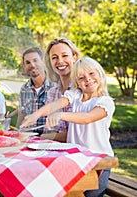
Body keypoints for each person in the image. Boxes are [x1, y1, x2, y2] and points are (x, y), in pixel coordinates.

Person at [21, 57, 115, 196]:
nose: (88, 79)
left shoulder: (105, 102)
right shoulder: (75, 95)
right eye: (81, 77)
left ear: (100, 74)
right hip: (77, 160)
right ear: (77, 82)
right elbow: (54, 105)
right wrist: (35, 115)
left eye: (91, 74)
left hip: (99, 162)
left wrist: (61, 115)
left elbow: (87, 118)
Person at [44, 37, 82, 133]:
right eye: (54, 57)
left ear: (75, 57)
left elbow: (79, 134)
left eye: (64, 55)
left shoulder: (83, 89)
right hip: (57, 146)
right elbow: (50, 129)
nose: (60, 61)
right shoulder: (52, 93)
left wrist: (42, 137)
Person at [16, 47, 53, 135]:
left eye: (35, 60)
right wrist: (16, 132)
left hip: (50, 138)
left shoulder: (55, 86)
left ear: (43, 62)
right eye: (28, 62)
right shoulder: (24, 89)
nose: (32, 65)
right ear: (24, 66)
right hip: (30, 137)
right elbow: (22, 114)